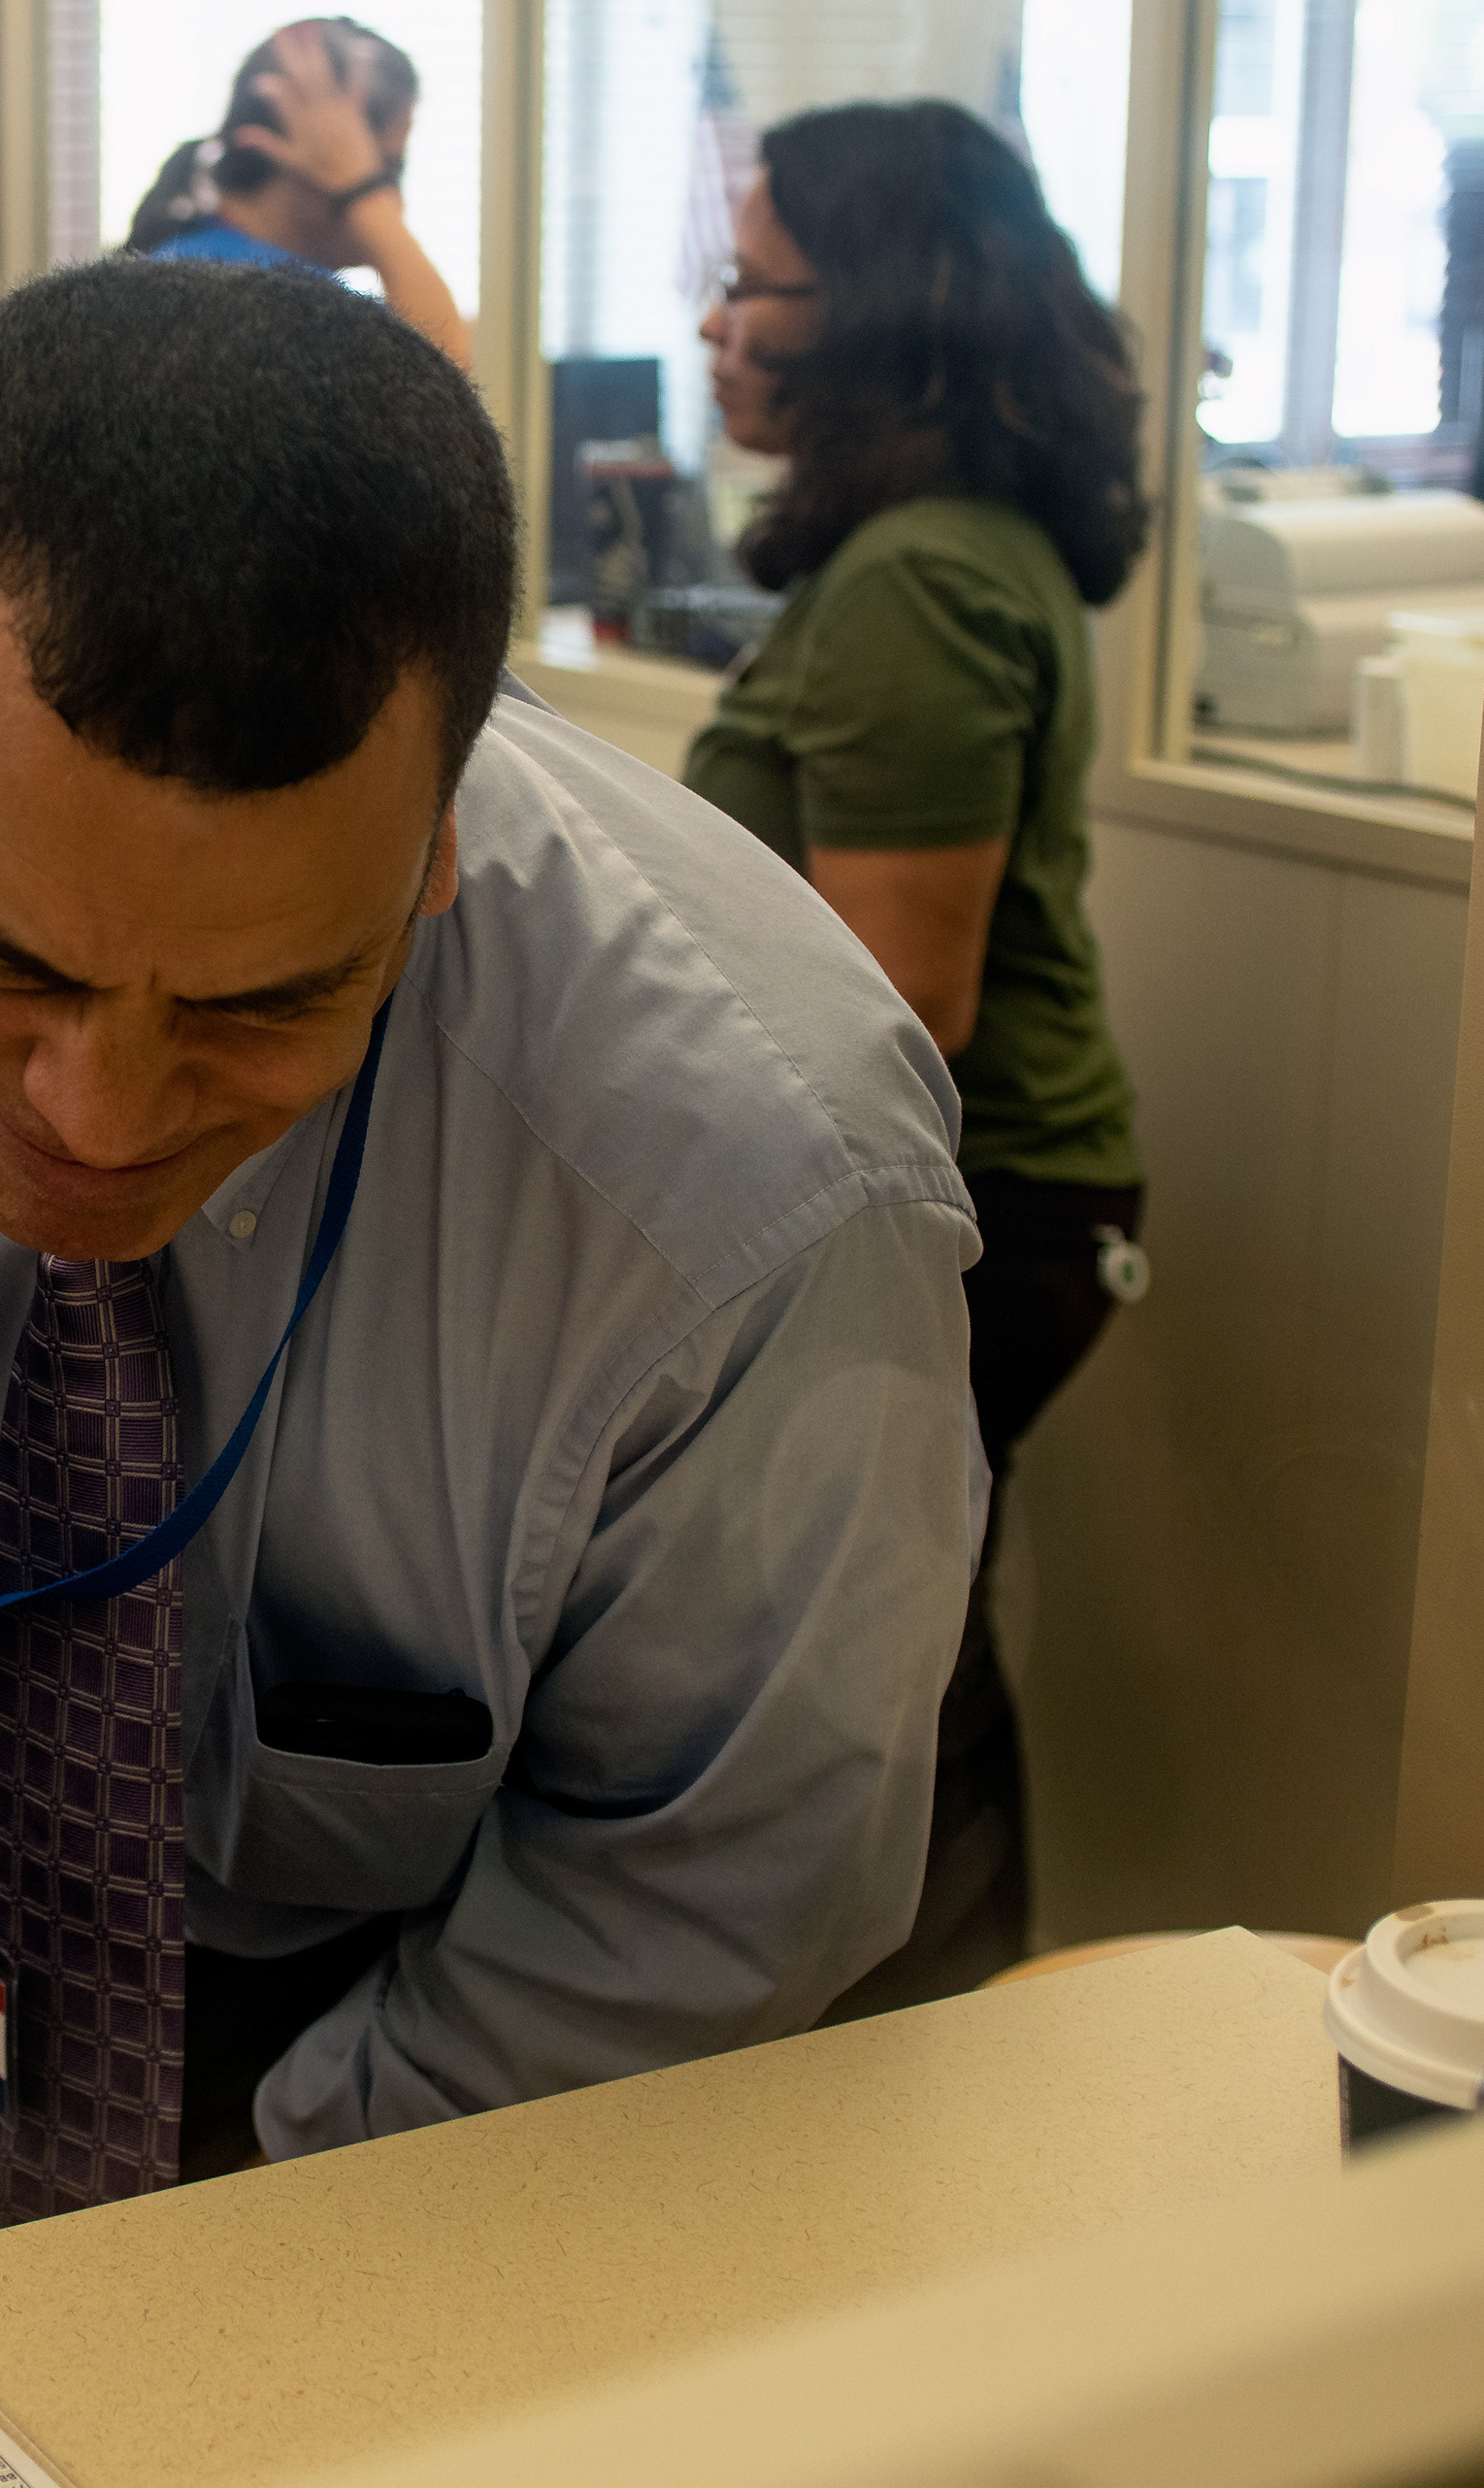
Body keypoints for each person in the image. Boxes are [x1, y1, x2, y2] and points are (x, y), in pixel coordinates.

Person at [0, 258, 984, 2249]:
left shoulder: (756, 1183)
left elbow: (695, 1895)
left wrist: (209, 2297)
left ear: (444, 833)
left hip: (570, 2034)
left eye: (263, 1004)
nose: (100, 1118)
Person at [682, 101, 1151, 2013]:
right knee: (909, 1644)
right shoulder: (926, 551)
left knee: (893, 1670)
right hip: (997, 1191)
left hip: (993, 1200)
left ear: (874, 314)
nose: (718, 325)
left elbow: (897, 1014)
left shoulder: (920, 581)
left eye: (755, 284)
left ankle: (931, 2084)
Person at [122, 19, 470, 366]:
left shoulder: (188, 259)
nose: (395, 202)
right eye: (388, 169)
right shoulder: (268, 303)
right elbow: (441, 384)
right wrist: (362, 191)